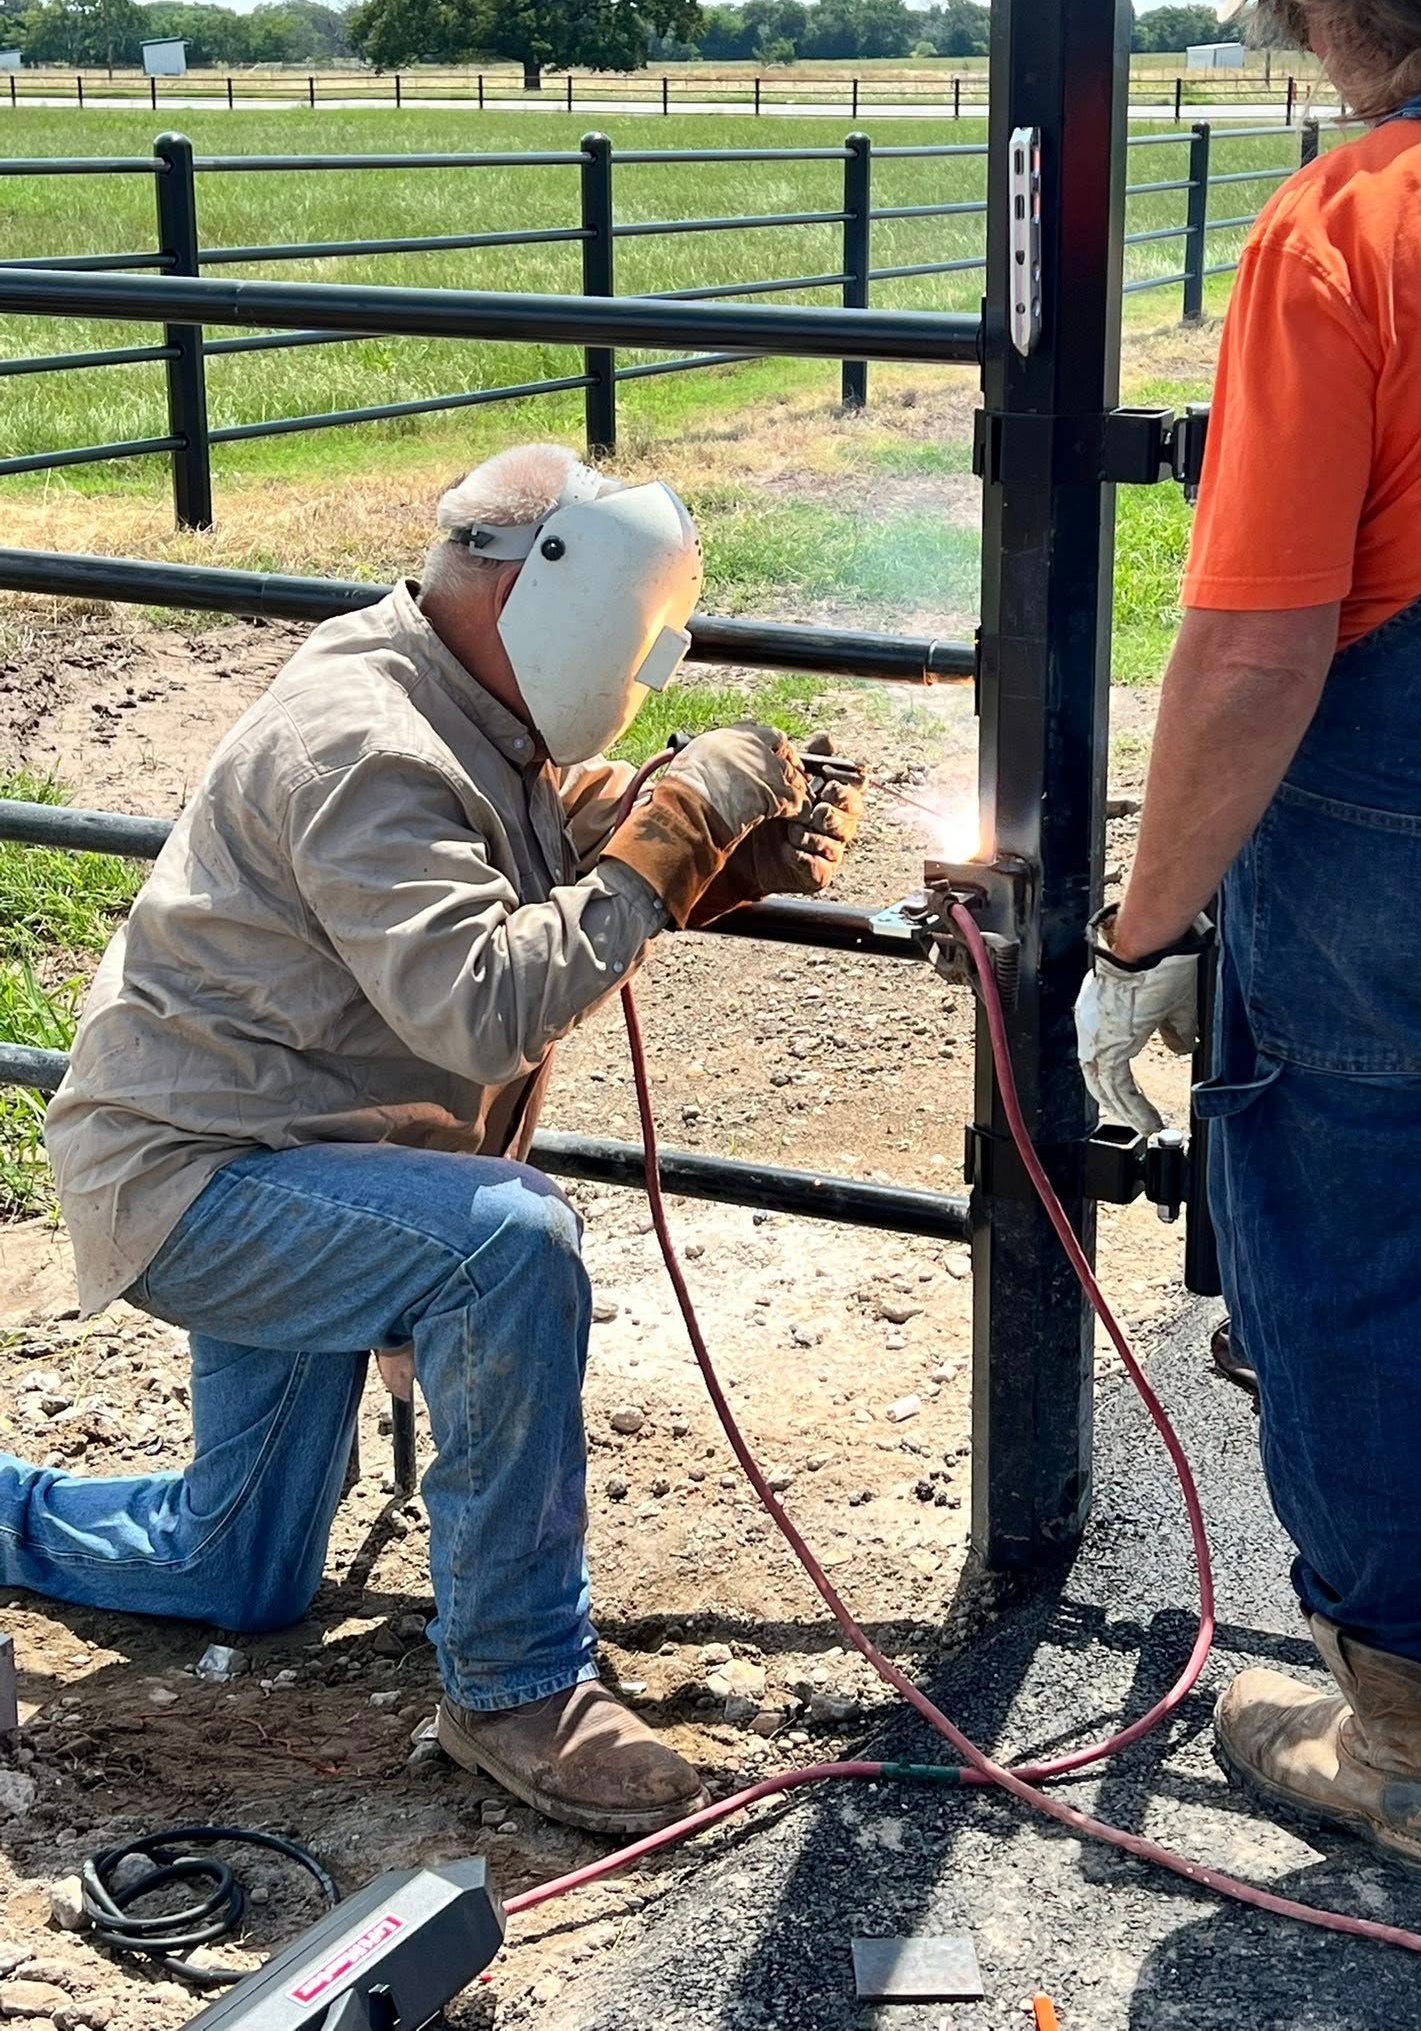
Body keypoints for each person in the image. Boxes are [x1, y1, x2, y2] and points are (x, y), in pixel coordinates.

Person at [0, 442, 864, 1839]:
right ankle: (517, 1687)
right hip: (207, 1182)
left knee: (239, 1578)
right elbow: (480, 1005)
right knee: (504, 1252)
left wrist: (671, 844)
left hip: (293, 1151)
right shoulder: (368, 738)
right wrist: (662, 848)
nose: (638, 668)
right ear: (540, 587)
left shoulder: (448, 691)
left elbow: (501, 840)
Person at [1075, 0, 1421, 1893]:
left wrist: (1145, 928)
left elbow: (1257, 641)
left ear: (1333, 4)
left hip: (1388, 874)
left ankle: (1413, 1740)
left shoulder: (1357, 226)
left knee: (1353, 1294)